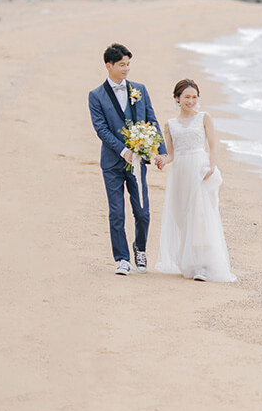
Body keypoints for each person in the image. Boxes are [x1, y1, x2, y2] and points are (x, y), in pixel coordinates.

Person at [88, 43, 166, 276]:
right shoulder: (96, 96)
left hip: (139, 161)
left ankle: (140, 248)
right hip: (112, 163)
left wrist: (161, 151)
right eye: (122, 65)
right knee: (116, 212)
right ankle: (122, 258)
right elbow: (101, 129)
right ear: (108, 66)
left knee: (142, 211)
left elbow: (152, 120)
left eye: (128, 64)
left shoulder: (139, 90)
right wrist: (124, 151)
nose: (126, 69)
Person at [155, 79, 235, 282]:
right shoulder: (170, 124)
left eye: (194, 97)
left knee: (200, 216)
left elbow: (213, 145)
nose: (191, 101)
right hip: (180, 173)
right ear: (177, 98)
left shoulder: (204, 118)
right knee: (183, 217)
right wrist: (162, 160)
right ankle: (188, 261)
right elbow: (171, 155)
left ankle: (202, 265)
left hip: (199, 170)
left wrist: (212, 166)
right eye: (186, 97)